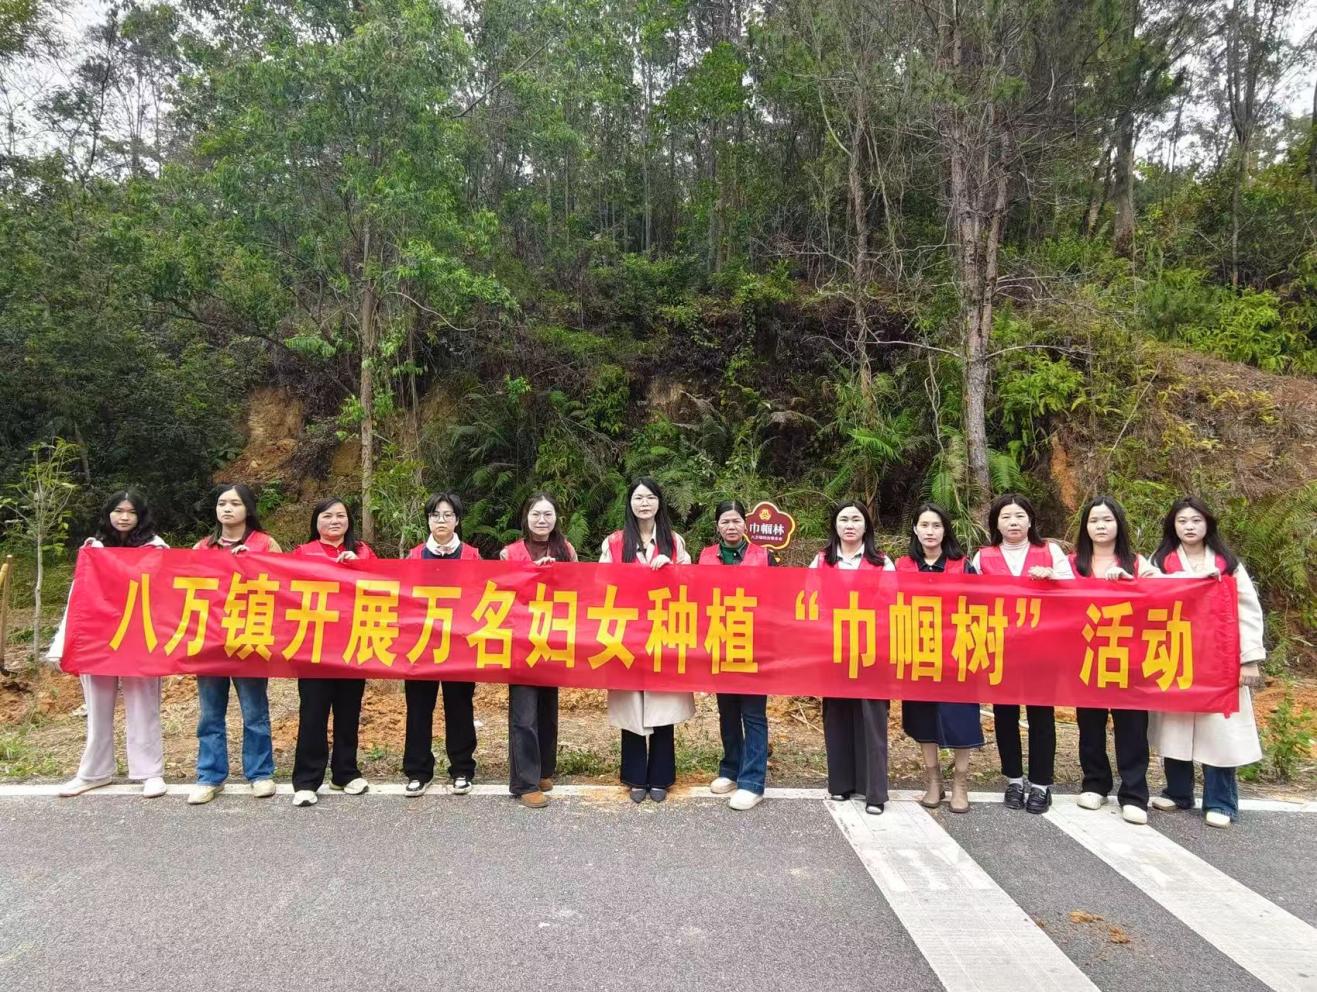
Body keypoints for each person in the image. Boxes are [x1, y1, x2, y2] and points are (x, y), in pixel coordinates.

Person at [1148, 496, 1263, 828]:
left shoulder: (1228, 563)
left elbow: (1248, 611)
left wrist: (1249, 659)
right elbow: (1148, 598)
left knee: (1220, 732)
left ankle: (1221, 801)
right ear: (1173, 525)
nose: (1189, 527)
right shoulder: (1161, 561)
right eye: (1182, 521)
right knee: (1175, 728)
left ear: (1208, 524)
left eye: (1196, 520)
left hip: (1220, 660)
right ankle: (1178, 792)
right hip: (1178, 656)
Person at [55, 491, 170, 799]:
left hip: (140, 636)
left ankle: (150, 772)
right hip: (99, 637)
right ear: (108, 514)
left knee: (144, 705)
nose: (124, 517)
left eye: (131, 512)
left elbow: (164, 590)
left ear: (141, 516)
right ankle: (94, 772)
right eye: (118, 511)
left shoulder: (156, 548)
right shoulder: (93, 548)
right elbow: (79, 597)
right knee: (97, 706)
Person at [971, 493, 1074, 814]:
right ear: (996, 523)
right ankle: (1014, 780)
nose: (1013, 522)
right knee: (1005, 716)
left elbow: (1076, 592)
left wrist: (1053, 578)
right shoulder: (983, 557)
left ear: (1030, 520)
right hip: (1002, 650)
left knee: (1041, 716)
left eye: (1019, 516)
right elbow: (969, 599)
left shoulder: (1050, 552)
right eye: (1006, 517)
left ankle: (1041, 784)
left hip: (1043, 649)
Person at [600, 477, 694, 803]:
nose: (644, 503)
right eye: (638, 497)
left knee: (662, 703)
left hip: (664, 631)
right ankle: (635, 775)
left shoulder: (674, 541)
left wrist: (672, 569)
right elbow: (601, 584)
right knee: (632, 705)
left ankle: (661, 777)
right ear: (629, 503)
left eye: (650, 497)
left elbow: (692, 583)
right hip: (627, 633)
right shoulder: (614, 542)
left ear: (659, 503)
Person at [187, 484, 281, 805]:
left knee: (255, 712)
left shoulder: (265, 544)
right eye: (222, 503)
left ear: (248, 509)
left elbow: (285, 584)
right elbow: (186, 586)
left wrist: (254, 564)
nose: (227, 508)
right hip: (211, 641)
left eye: (235, 503)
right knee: (210, 713)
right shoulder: (203, 546)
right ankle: (210, 776)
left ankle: (260, 773)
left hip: (250, 639)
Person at [1068, 495, 1157, 825]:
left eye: (1107, 520)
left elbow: (1163, 593)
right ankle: (1095, 783)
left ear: (1118, 524)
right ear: (1085, 527)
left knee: (1131, 726)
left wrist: (1133, 584)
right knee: (1089, 724)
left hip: (1128, 658)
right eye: (1094, 521)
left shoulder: (1137, 562)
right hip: (1087, 656)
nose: (1100, 526)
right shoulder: (1073, 563)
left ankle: (1134, 793)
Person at [895, 502, 982, 814]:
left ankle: (960, 782)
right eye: (924, 525)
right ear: (915, 529)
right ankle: (933, 780)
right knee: (923, 717)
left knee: (961, 719)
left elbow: (980, 607)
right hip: (917, 652)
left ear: (945, 530)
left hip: (957, 654)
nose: (930, 531)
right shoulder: (902, 565)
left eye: (936, 525)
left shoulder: (963, 565)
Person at [289, 497, 375, 807]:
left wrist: (361, 567)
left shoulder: (363, 551)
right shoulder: (302, 553)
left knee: (348, 712)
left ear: (349, 520)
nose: (334, 521)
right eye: (327, 516)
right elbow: (284, 589)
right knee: (313, 714)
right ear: (316, 522)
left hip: (353, 644)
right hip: (314, 648)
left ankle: (345, 773)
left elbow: (384, 587)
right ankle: (306, 780)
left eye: (340, 515)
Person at [810, 500, 892, 815]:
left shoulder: (881, 562)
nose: (849, 525)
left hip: (871, 650)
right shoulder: (821, 560)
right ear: (835, 524)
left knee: (872, 719)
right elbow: (810, 600)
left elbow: (891, 603)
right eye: (843, 519)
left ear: (866, 526)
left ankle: (874, 792)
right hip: (833, 649)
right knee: (837, 715)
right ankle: (841, 784)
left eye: (856, 519)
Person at [401, 492, 482, 798]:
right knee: (418, 708)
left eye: (448, 515)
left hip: (459, 645)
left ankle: (462, 768)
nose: (441, 521)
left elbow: (481, 596)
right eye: (435, 515)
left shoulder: (471, 556)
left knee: (459, 707)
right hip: (422, 644)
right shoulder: (414, 556)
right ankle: (418, 771)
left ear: (457, 520)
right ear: (428, 520)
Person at [500, 492, 577, 808]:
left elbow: (577, 590)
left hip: (553, 638)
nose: (542, 520)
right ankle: (524, 782)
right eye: (536, 514)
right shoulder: (510, 553)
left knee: (547, 709)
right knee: (524, 712)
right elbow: (500, 594)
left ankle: (544, 768)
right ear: (526, 517)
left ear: (556, 518)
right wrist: (531, 573)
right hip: (521, 641)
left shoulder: (566, 550)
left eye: (548, 514)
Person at [699, 499, 773, 812]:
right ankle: (731, 768)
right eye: (725, 521)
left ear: (746, 524)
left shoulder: (764, 556)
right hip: (720, 643)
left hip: (755, 646)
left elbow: (777, 599)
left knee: (753, 714)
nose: (731, 527)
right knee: (727, 712)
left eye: (736, 521)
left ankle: (752, 782)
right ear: (717, 526)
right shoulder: (706, 556)